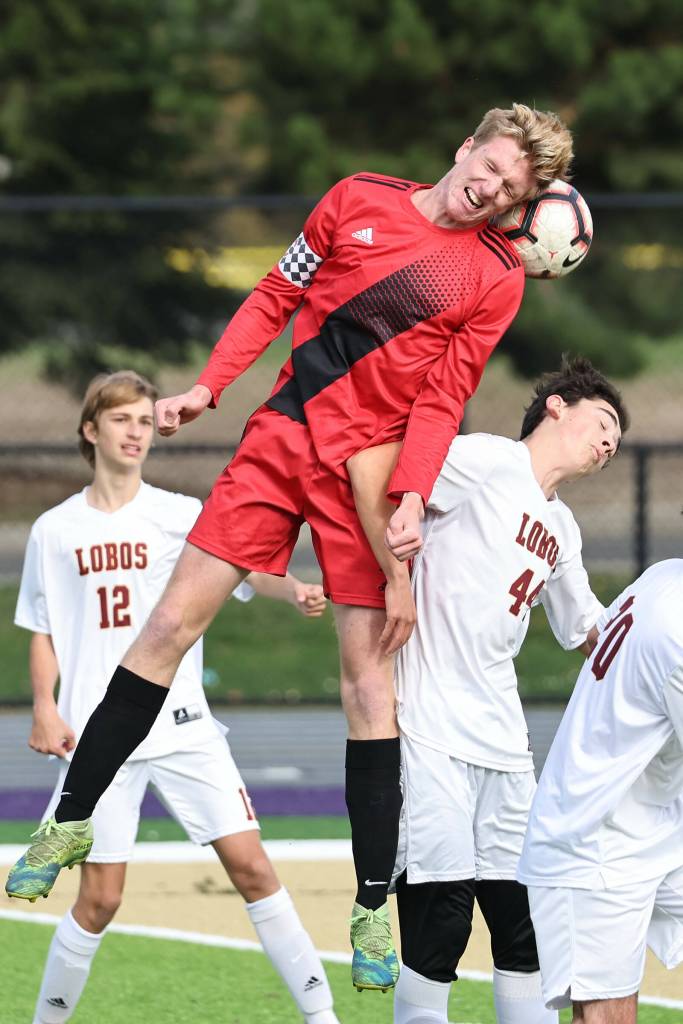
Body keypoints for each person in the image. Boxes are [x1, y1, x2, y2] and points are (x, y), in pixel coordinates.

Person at [7, 103, 575, 991]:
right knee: (167, 628)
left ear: (517, 204)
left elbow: (443, 397)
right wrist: (207, 387)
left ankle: (372, 903)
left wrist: (412, 496)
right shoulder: (356, 198)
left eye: (511, 189)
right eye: (491, 166)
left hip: (368, 475)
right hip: (280, 439)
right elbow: (276, 294)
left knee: (367, 687)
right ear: (465, 147)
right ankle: (69, 818)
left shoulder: (494, 276)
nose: (492, 190)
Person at [9, 371, 340, 1024]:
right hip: (99, 737)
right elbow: (42, 628)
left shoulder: (181, 514)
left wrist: (293, 589)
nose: (136, 432)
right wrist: (44, 705)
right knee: (100, 900)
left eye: (143, 421)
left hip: (182, 724)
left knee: (253, 869)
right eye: (121, 419)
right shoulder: (54, 529)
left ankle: (322, 1017)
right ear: (90, 430)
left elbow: (248, 570)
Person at [348, 358, 629, 1023]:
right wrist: (396, 573)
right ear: (556, 405)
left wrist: (656, 642)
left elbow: (586, 628)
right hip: (430, 726)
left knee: (523, 920)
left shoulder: (562, 528)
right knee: (441, 918)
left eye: (616, 439)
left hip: (504, 739)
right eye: (603, 421)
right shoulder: (486, 461)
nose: (609, 442)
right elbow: (377, 470)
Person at [517, 558, 683, 1024]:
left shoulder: (665, 574)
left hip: (658, 822)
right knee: (607, 1015)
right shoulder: (676, 636)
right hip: (592, 843)